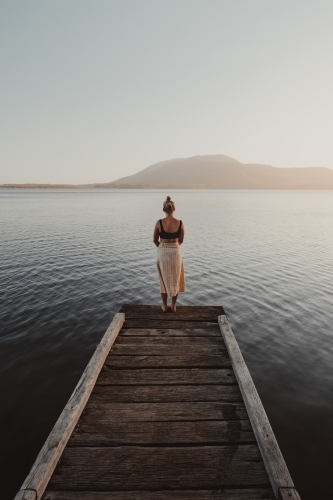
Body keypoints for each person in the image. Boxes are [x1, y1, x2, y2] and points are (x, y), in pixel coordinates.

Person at [153, 196, 186, 312]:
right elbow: (181, 240)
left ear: (163, 209)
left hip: (163, 252)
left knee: (163, 280)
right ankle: (173, 306)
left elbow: (154, 240)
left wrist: (162, 248)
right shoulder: (180, 223)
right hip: (176, 252)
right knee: (175, 279)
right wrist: (173, 247)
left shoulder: (159, 223)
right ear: (174, 209)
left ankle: (164, 305)